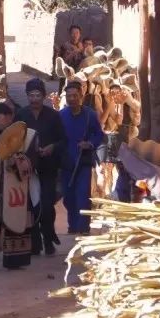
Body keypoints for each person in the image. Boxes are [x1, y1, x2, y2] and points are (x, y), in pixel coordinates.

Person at [0, 101, 39, 272]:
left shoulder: (28, 135)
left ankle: (15, 260)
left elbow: (33, 160)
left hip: (17, 188)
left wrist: (17, 162)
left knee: (16, 222)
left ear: (10, 117)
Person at [14, 78, 66, 255]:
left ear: (43, 96)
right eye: (31, 95)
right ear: (27, 96)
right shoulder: (21, 115)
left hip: (48, 167)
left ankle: (49, 238)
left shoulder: (53, 116)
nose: (34, 99)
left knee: (46, 204)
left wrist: (52, 147)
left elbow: (63, 140)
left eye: (37, 95)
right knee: (30, 206)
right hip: (27, 169)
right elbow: (14, 140)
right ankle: (34, 243)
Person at [58, 81, 105, 235]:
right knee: (68, 198)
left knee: (83, 196)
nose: (72, 99)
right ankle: (72, 226)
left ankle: (83, 228)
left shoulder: (90, 115)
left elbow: (99, 134)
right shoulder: (61, 116)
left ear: (81, 96)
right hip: (66, 163)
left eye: (75, 96)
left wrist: (90, 143)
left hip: (83, 163)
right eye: (69, 96)